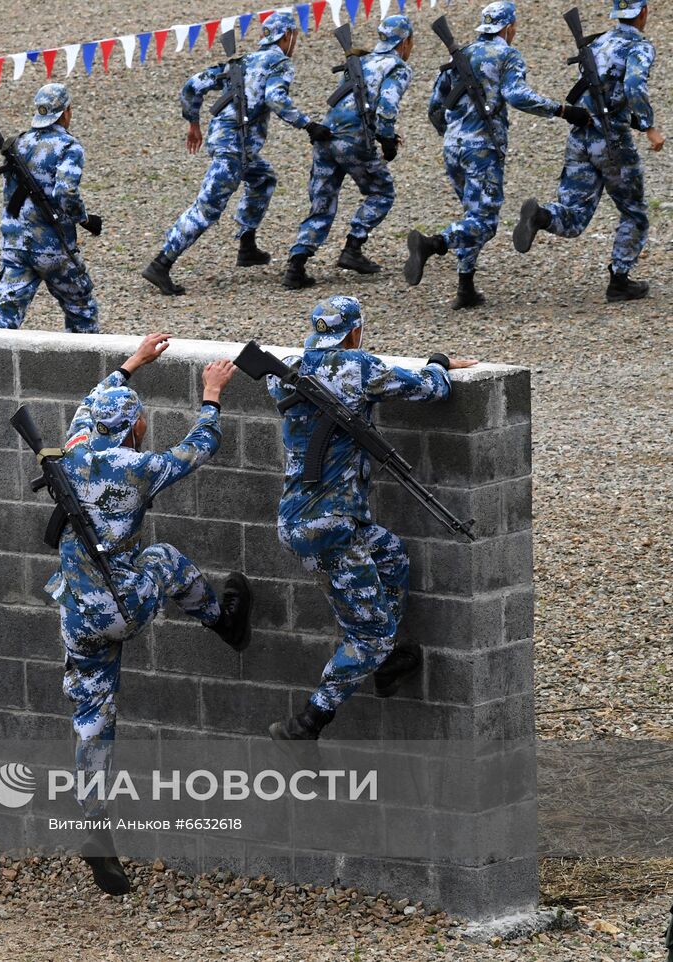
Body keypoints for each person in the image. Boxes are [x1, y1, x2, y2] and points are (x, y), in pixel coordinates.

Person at [46, 333, 252, 894]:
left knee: (93, 722)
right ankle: (223, 621)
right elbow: (198, 447)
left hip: (75, 610)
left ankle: (97, 831)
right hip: (122, 606)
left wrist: (131, 364)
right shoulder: (138, 467)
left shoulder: (72, 449)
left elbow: (92, 401)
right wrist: (211, 395)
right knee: (162, 557)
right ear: (135, 428)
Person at [264, 297, 476, 741]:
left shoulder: (287, 372)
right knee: (369, 636)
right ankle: (309, 721)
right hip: (331, 527)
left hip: (311, 520)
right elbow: (433, 389)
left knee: (392, 555)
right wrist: (438, 362)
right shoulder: (357, 367)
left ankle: (386, 659)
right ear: (355, 333)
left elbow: (270, 373)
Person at [404, 1, 591, 309]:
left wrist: (451, 136)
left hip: (453, 148)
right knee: (485, 222)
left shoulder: (460, 55)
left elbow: (435, 107)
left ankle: (466, 287)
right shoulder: (507, 55)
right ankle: (433, 244)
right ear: (508, 28)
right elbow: (517, 95)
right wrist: (562, 110)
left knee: (472, 214)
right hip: (483, 150)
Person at [143, 10, 333, 296]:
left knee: (263, 178)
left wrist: (193, 123)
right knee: (206, 209)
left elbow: (193, 85)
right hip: (233, 149)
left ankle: (247, 244)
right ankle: (161, 263)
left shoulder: (240, 63)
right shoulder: (279, 63)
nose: (294, 43)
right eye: (294, 37)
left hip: (236, 147)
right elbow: (275, 98)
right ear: (287, 36)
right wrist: (308, 125)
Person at [512, 0, 662, 301]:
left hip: (581, 136)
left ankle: (541, 216)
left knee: (575, 215)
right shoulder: (639, 47)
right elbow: (633, 86)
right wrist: (648, 125)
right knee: (634, 212)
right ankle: (620, 281)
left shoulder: (599, 42)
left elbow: (590, 89)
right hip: (612, 142)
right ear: (643, 12)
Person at [284, 16, 415, 289]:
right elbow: (387, 107)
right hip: (354, 140)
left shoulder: (360, 61)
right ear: (405, 42)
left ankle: (297, 263)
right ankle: (353, 248)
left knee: (321, 201)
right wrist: (387, 140)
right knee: (381, 192)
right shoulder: (397, 67)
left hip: (326, 136)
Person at [0, 83, 102, 333]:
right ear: (66, 111)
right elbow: (66, 192)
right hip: (51, 246)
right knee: (82, 310)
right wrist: (84, 219)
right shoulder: (69, 147)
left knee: (5, 311)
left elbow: (9, 194)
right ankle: (85, 368)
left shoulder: (18, 143)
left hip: (15, 243)